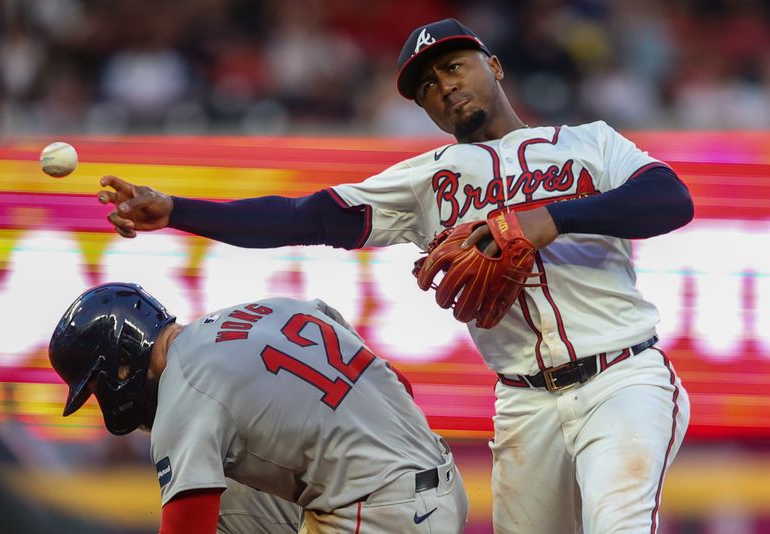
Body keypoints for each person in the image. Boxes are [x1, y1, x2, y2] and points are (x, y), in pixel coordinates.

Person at [95, 18, 693, 534]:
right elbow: (305, 216)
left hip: (621, 375)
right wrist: (178, 210)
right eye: (428, 86)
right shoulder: (426, 179)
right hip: (524, 402)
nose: (446, 87)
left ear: (496, 66)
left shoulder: (588, 143)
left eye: (455, 66)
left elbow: (670, 201)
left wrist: (553, 217)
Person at [49, 282, 468, 534]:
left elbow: (187, 528)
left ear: (122, 361)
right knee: (230, 487)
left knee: (207, 490)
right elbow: (400, 386)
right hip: (438, 480)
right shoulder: (271, 307)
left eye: (100, 386)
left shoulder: (182, 394)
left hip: (384, 516)